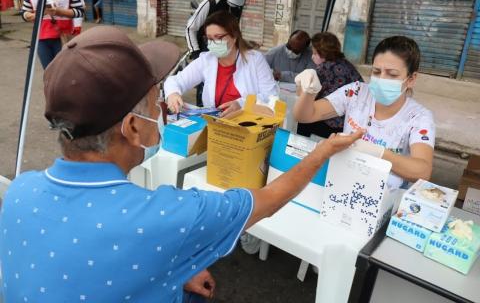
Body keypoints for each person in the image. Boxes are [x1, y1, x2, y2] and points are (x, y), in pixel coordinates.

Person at [0, 26, 363, 302]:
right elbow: (267, 199)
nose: (162, 111)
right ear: (130, 127)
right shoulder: (163, 215)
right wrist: (321, 153)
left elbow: (80, 263)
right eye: (156, 101)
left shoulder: (20, 191)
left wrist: (174, 268)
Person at [294, 35, 435, 190]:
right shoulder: (356, 92)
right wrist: (309, 92)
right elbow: (305, 116)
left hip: (384, 197)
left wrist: (378, 152)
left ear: (411, 79)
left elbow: (423, 171)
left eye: (392, 74)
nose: (381, 79)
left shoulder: (418, 117)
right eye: (376, 71)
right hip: (341, 184)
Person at [166, 11, 278, 118]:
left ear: (234, 36)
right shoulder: (206, 60)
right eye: (209, 39)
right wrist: (173, 94)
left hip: (248, 127)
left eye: (218, 37)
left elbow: (272, 97)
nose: (213, 43)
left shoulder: (255, 60)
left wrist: (242, 104)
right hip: (216, 126)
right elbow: (175, 81)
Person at [185, 0, 249, 106]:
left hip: (226, 52)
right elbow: (190, 28)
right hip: (206, 48)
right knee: (205, 87)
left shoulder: (238, 5)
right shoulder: (210, 3)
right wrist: (196, 53)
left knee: (223, 85)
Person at [296, 32, 363, 139]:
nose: (312, 57)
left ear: (323, 53)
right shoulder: (346, 64)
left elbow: (307, 96)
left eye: (314, 54)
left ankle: (300, 149)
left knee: (302, 118)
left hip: (333, 124)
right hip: (351, 122)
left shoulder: (323, 69)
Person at [22, 0, 85, 69]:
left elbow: (79, 11)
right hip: (41, 38)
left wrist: (58, 11)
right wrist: (34, 16)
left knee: (64, 71)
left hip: (63, 37)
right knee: (49, 72)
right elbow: (24, 13)